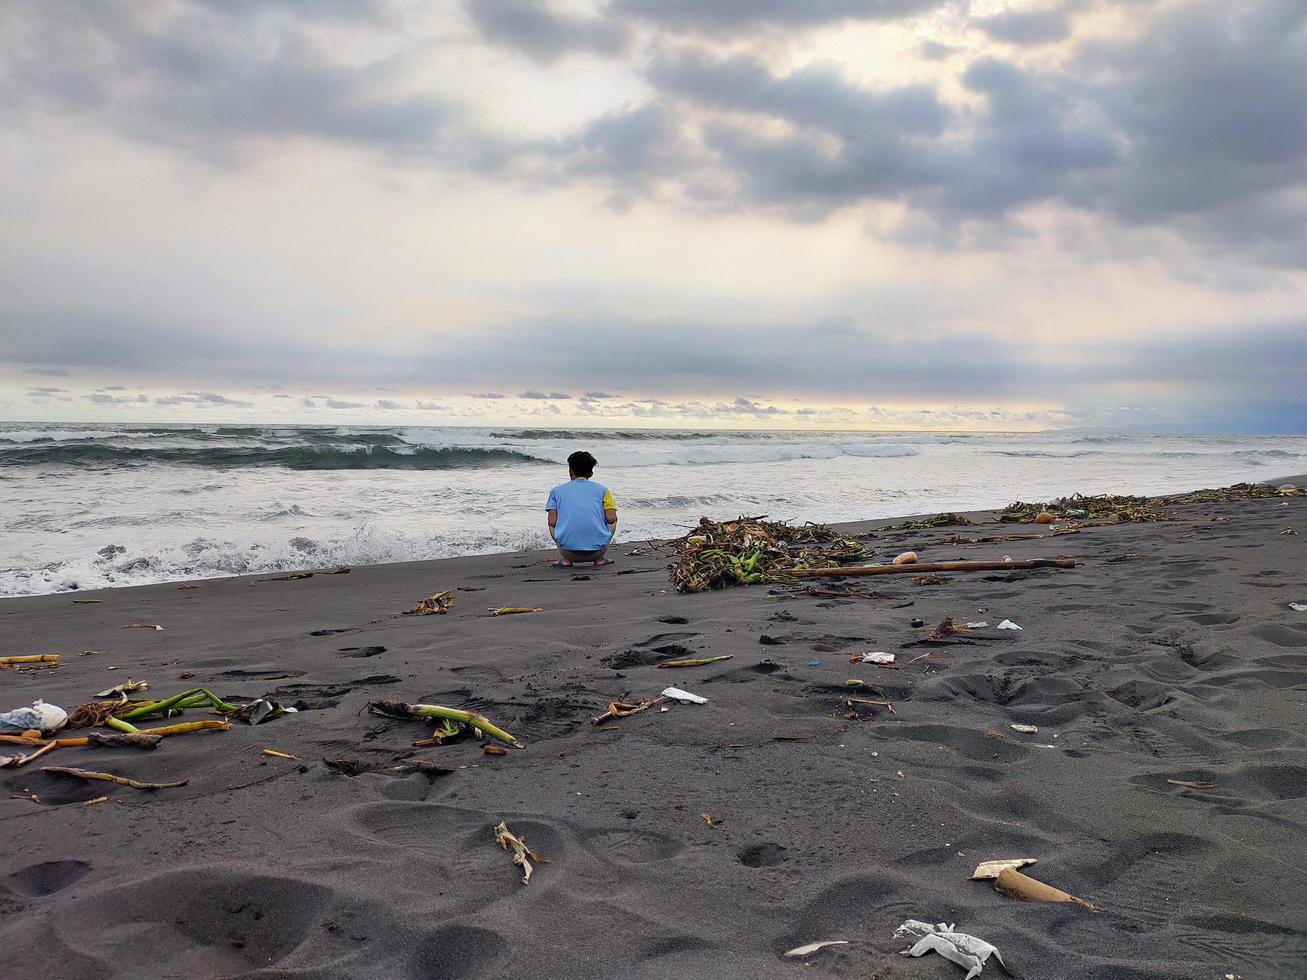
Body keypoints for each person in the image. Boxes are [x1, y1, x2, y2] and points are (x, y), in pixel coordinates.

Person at [546, 450, 617, 567]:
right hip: (596, 551)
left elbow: (552, 522)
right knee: (613, 515)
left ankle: (566, 560)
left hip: (568, 552)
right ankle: (599, 559)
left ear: (570, 471)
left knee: (552, 517)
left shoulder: (556, 491)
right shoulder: (603, 490)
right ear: (591, 473)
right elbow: (611, 519)